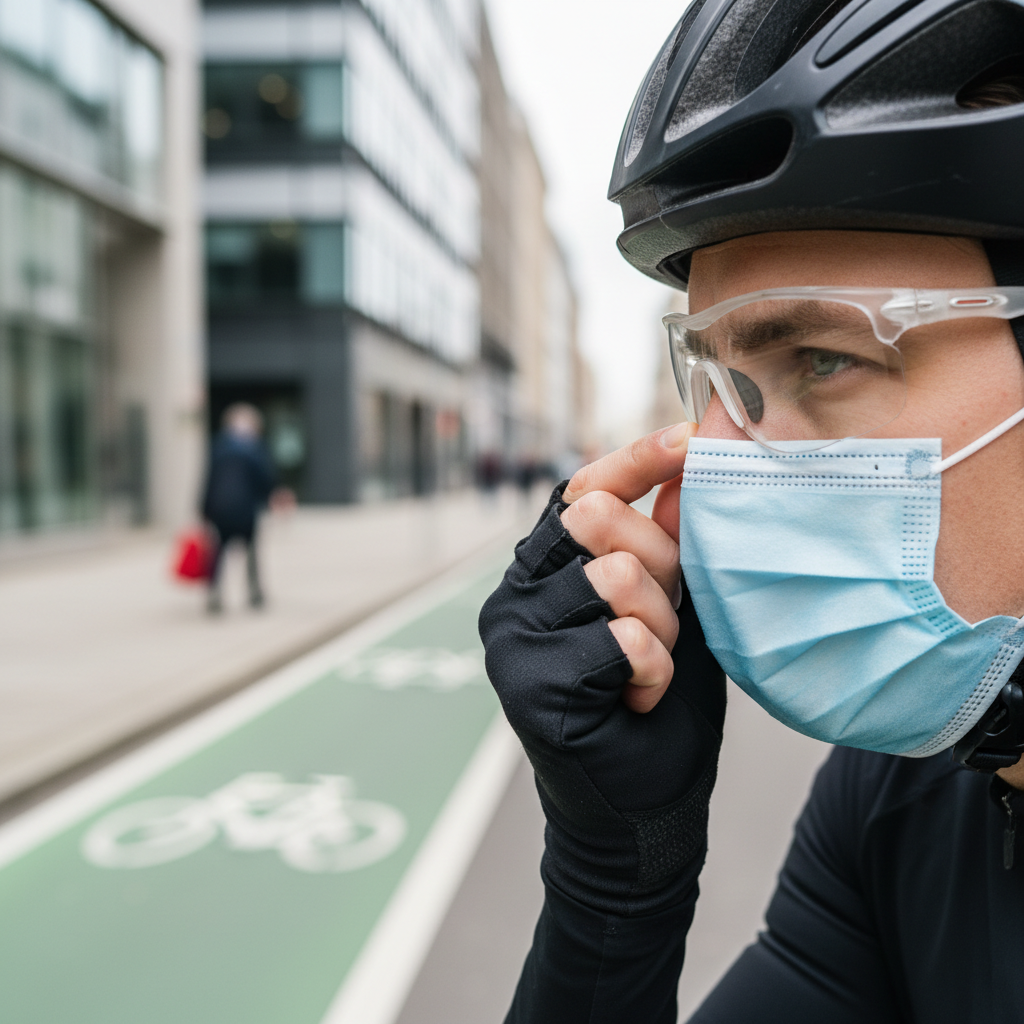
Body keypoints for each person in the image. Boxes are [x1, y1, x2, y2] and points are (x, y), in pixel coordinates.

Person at [478, 2, 1024, 1021]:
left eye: (821, 357)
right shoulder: (895, 801)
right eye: (722, 383)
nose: (717, 466)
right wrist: (615, 880)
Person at [201, 403, 286, 614]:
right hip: (246, 508)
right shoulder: (253, 449)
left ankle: (215, 594)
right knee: (250, 552)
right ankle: (254, 592)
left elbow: (208, 479)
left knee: (219, 552)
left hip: (220, 508)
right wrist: (271, 498)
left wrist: (203, 508)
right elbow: (265, 478)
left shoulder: (219, 446)